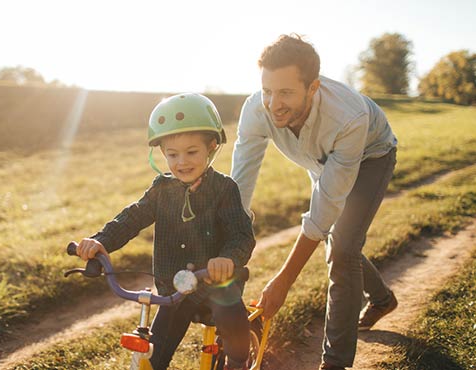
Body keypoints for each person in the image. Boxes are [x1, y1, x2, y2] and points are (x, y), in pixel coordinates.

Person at [231, 34, 398, 370]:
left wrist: (283, 281)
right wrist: (229, 242)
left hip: (370, 155)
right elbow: (239, 187)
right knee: (337, 240)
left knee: (342, 247)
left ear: (313, 87)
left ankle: (335, 363)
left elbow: (322, 213)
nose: (273, 103)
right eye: (268, 90)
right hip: (323, 161)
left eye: (286, 92)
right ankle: (382, 299)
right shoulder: (256, 108)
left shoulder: (348, 117)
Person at [76, 93, 255, 370]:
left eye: (191, 152)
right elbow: (132, 217)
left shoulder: (224, 189)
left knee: (233, 319)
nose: (182, 162)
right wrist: (101, 241)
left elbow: (241, 234)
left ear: (211, 146)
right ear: (162, 153)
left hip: (215, 283)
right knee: (154, 353)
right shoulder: (162, 189)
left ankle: (238, 362)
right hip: (175, 289)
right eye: (172, 154)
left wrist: (228, 258)